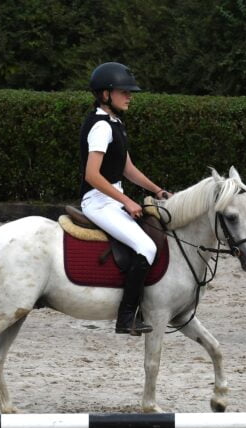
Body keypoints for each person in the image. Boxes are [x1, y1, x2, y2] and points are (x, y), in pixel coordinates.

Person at [79, 62, 171, 336]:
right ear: (105, 94)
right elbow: (92, 175)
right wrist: (127, 201)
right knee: (146, 246)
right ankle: (126, 317)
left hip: (111, 198)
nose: (129, 96)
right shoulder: (101, 127)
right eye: (123, 91)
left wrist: (157, 191)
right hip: (97, 200)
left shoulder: (115, 123)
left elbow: (127, 169)